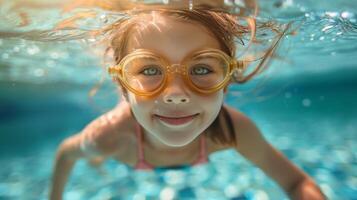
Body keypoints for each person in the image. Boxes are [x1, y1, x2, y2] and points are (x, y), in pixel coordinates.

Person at [49, 1, 327, 200]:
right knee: (96, 155)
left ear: (227, 79)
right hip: (128, 134)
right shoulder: (108, 136)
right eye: (149, 69)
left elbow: (296, 182)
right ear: (122, 85)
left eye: (202, 69)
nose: (176, 93)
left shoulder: (233, 131)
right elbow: (65, 153)